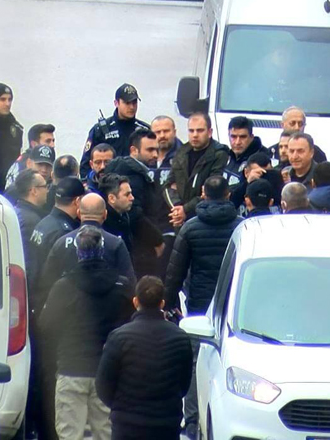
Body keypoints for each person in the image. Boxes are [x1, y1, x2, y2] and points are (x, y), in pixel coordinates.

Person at [39, 225, 134, 440]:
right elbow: (129, 321)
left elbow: (46, 325)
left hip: (72, 366)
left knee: (70, 433)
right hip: (106, 369)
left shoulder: (63, 287)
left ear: (78, 252)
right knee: (106, 433)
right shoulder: (120, 286)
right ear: (102, 250)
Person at [165, 176, 242, 439]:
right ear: (228, 194)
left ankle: (192, 419)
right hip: (234, 304)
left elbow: (175, 271)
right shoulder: (241, 227)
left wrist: (169, 302)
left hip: (200, 304)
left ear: (203, 194)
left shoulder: (191, 228)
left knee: (197, 361)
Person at [96, 276, 193, 440]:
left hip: (127, 427)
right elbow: (184, 385)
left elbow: (103, 387)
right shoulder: (181, 339)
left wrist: (121, 408)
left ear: (135, 302)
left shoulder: (118, 338)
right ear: (162, 303)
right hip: (166, 426)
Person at [39, 193, 136, 296]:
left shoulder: (61, 243)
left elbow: (47, 281)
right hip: (109, 303)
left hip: (69, 302)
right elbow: (130, 283)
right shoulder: (116, 244)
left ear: (79, 213)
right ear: (105, 214)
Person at [104, 130, 166, 279]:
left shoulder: (130, 171)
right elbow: (134, 213)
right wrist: (157, 240)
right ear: (134, 150)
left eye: (157, 150)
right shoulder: (133, 176)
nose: (155, 155)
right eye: (150, 150)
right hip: (140, 247)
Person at [27, 177, 85, 311]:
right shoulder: (64, 232)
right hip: (52, 301)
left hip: (36, 296)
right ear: (77, 201)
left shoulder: (44, 222)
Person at [165, 113, 229, 228]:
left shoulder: (219, 154)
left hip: (206, 218)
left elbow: (211, 190)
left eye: (200, 131)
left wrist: (186, 209)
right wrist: (178, 209)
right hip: (179, 217)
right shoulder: (182, 152)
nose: (195, 135)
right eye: (191, 131)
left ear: (209, 132)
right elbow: (168, 185)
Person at [80, 83, 150, 176]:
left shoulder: (145, 130)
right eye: (127, 103)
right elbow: (85, 166)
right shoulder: (100, 130)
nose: (132, 107)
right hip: (108, 181)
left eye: (134, 102)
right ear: (116, 103)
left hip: (138, 181)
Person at [224, 116, 270, 189]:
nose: (237, 142)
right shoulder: (226, 154)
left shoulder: (262, 159)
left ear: (251, 137)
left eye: (243, 137)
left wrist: (248, 183)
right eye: (233, 137)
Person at [6, 123, 56, 188]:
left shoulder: (26, 158)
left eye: (53, 141)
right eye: (48, 141)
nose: (53, 145)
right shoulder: (25, 165)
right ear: (34, 144)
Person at [13, 169, 49, 254]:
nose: (47, 191)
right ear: (34, 191)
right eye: (45, 186)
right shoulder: (31, 222)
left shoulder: (14, 211)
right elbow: (31, 256)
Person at [99, 174, 134, 253]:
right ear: (111, 198)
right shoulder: (104, 224)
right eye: (127, 194)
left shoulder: (124, 216)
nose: (132, 198)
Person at [152, 115, 183, 186]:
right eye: (158, 132)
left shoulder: (185, 156)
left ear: (174, 132)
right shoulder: (145, 155)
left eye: (166, 131)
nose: (162, 135)